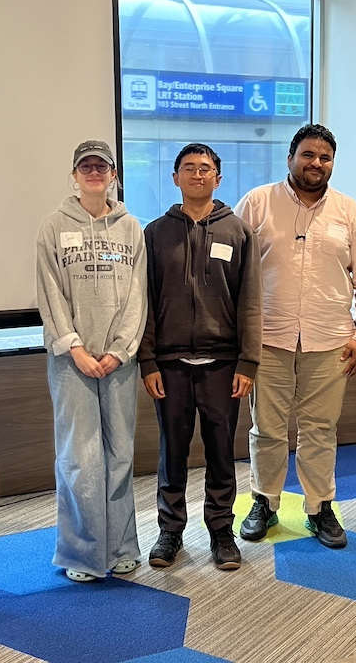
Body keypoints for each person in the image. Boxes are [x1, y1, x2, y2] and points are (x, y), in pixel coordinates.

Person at [233, 123, 356, 549]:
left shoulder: (349, 211)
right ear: (290, 157)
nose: (316, 163)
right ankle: (265, 501)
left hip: (331, 340)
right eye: (308, 155)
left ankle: (320, 507)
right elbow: (234, 274)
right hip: (268, 340)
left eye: (325, 157)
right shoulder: (257, 203)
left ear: (332, 163)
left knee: (321, 429)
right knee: (267, 428)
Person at [139, 143, 262, 571]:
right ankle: (170, 531)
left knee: (220, 451)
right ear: (175, 178)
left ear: (218, 178)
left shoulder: (239, 232)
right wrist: (148, 361)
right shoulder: (154, 234)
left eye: (205, 168)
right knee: (172, 451)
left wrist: (248, 363)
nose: (197, 175)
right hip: (169, 367)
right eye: (188, 168)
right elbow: (146, 303)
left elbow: (250, 303)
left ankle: (221, 532)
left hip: (224, 365)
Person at [36, 140, 147, 582]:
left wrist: (121, 349)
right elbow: (50, 293)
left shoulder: (131, 227)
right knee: (79, 459)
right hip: (71, 362)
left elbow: (139, 293)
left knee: (120, 454)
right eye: (86, 166)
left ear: (114, 174)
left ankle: (120, 546)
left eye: (102, 166)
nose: (95, 172)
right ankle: (82, 554)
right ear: (74, 173)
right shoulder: (53, 227)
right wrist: (75, 348)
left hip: (120, 361)